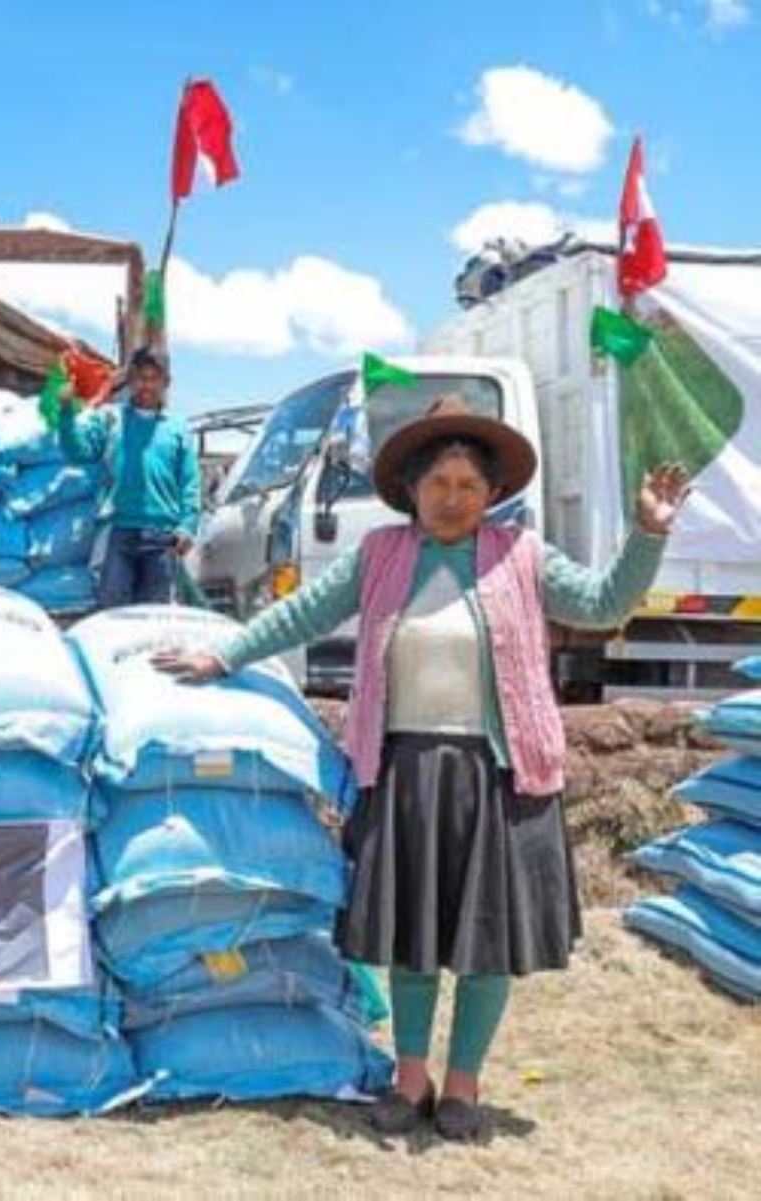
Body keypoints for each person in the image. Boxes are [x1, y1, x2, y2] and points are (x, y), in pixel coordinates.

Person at [154, 395, 691, 1142]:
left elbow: (605, 603)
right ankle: (412, 1077)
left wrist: (648, 536)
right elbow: (303, 611)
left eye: (470, 485)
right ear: (410, 486)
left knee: (485, 942)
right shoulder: (380, 555)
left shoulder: (523, 556)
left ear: (493, 493)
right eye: (439, 482)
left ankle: (464, 1083)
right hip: (404, 770)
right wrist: (226, 652)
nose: (453, 498)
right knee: (412, 940)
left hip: (500, 778)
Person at [57, 346, 201, 607]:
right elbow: (79, 452)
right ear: (131, 380)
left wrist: (188, 525)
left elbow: (189, 483)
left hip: (163, 537)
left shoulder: (178, 429)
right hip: (118, 531)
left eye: (153, 378)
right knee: (112, 614)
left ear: (166, 382)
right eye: (139, 378)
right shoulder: (111, 419)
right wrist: (66, 411)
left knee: (155, 618)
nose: (146, 385)